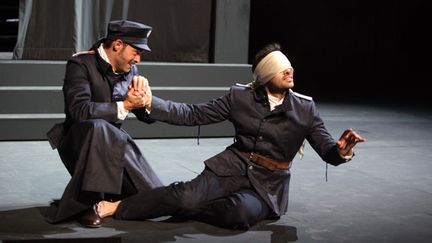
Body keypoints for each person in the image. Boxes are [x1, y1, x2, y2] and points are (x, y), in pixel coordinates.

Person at [97, 43, 366, 230]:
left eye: (289, 67)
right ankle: (117, 206)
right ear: (263, 76)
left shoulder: (305, 109)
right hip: (231, 167)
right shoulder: (241, 98)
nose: (289, 71)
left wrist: (342, 151)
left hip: (268, 185)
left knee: (238, 214)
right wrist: (150, 102)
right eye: (280, 67)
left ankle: (184, 200)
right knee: (186, 197)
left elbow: (328, 151)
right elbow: (193, 114)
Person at [45, 20, 163, 228]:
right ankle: (89, 203)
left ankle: (110, 203)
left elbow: (147, 117)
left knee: (157, 198)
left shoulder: (131, 71)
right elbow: (79, 111)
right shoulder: (80, 64)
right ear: (118, 44)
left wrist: (147, 101)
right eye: (136, 52)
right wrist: (125, 104)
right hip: (82, 143)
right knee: (99, 127)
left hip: (114, 146)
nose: (138, 59)